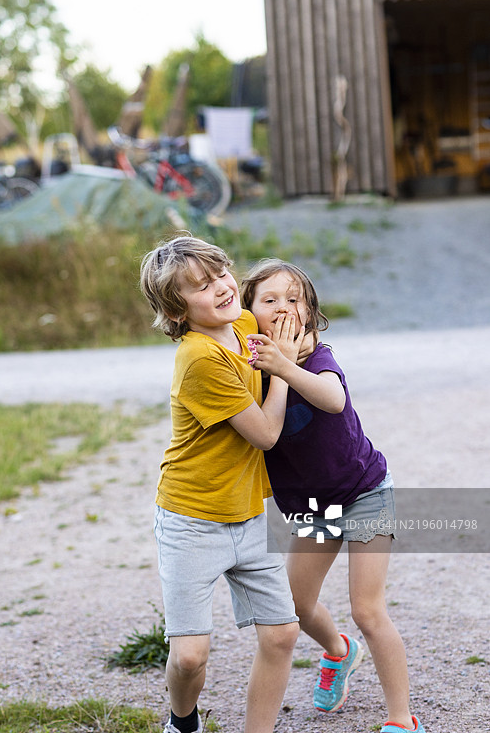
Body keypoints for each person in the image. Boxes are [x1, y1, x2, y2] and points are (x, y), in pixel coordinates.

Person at [241, 258, 426, 733]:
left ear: (310, 312)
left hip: (363, 493)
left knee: (368, 608)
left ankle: (402, 720)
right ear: (247, 313)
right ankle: (340, 652)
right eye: (269, 300)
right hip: (313, 509)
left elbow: (333, 398)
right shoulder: (249, 370)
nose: (283, 308)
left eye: (294, 298)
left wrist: (284, 364)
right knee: (297, 607)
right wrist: (270, 367)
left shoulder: (317, 357)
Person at [140, 236, 304, 733]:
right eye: (201, 287)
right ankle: (182, 723)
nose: (222, 288)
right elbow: (267, 434)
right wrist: (284, 370)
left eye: (221, 274)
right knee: (190, 656)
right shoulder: (198, 360)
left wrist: (304, 353)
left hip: (252, 510)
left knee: (281, 635)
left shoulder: (246, 324)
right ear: (176, 311)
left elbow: (299, 330)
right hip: (193, 517)